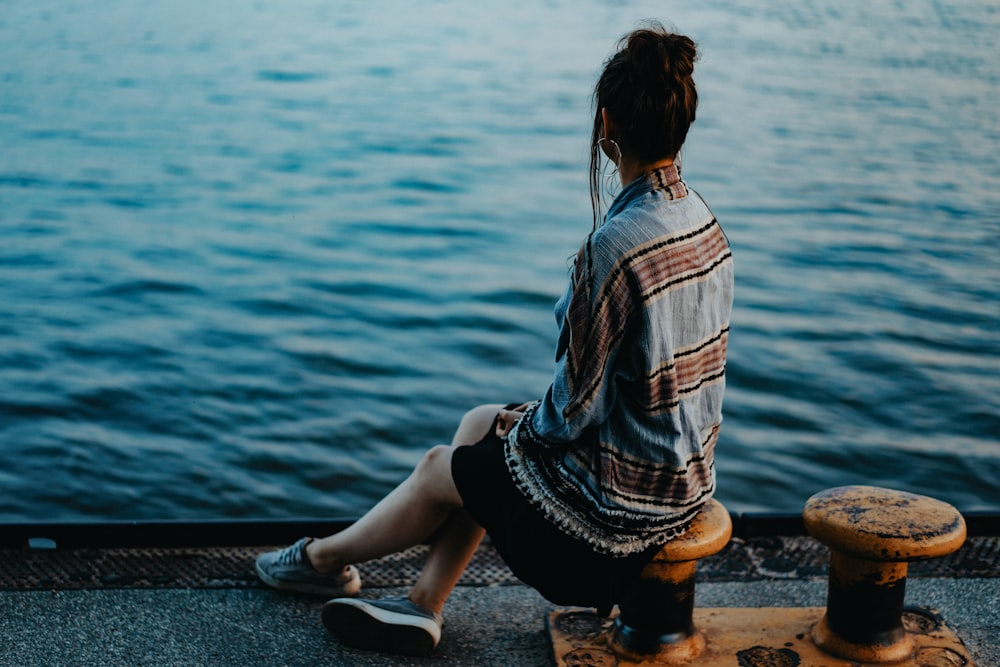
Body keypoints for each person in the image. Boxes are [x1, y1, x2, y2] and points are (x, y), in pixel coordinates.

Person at [255, 21, 734, 658]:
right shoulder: (701, 219)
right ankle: (422, 604)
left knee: (443, 466)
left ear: (605, 123)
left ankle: (320, 560)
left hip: (619, 517)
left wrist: (519, 434)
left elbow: (571, 416)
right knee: (479, 424)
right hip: (685, 479)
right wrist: (509, 430)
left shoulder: (612, 250)